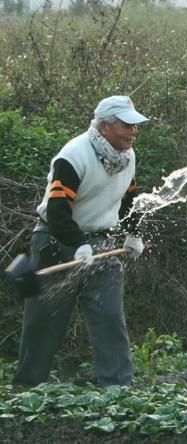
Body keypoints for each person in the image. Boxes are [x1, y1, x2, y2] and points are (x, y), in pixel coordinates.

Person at [12, 95, 148, 387]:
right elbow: (58, 210)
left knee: (110, 316)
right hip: (56, 240)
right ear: (105, 126)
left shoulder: (127, 157)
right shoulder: (73, 157)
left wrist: (133, 232)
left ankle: (117, 389)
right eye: (127, 126)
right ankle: (27, 390)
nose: (133, 132)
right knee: (44, 321)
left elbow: (129, 199)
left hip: (101, 242)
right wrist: (76, 244)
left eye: (135, 126)